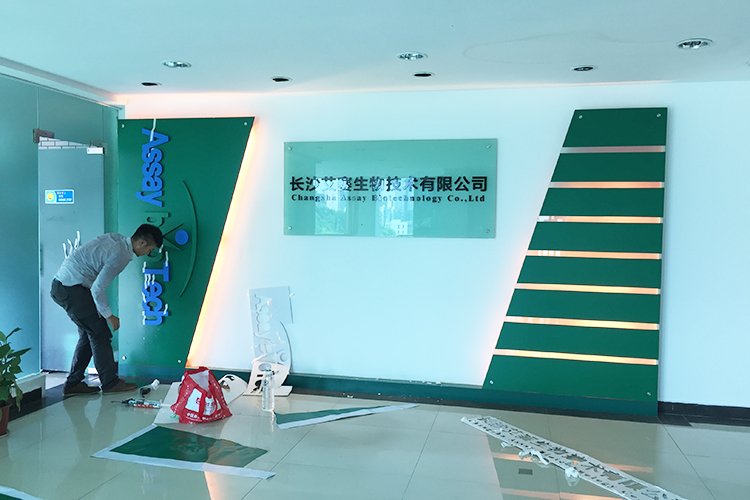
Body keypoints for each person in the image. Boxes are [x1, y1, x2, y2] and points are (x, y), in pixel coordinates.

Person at [50, 224, 163, 395]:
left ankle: (73, 384)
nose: (148, 253)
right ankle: (110, 383)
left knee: (89, 334)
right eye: (150, 249)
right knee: (100, 334)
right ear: (141, 243)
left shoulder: (116, 238)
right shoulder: (121, 255)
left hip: (65, 286)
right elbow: (98, 288)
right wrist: (109, 315)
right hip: (71, 288)